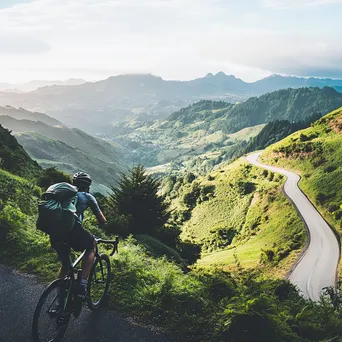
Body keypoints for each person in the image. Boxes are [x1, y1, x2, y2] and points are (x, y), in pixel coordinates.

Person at [50, 172, 107, 297]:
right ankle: (82, 283)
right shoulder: (87, 196)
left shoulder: (63, 194)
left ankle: (60, 294)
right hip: (72, 231)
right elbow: (102, 220)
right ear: (88, 186)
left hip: (54, 231)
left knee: (66, 265)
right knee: (92, 245)